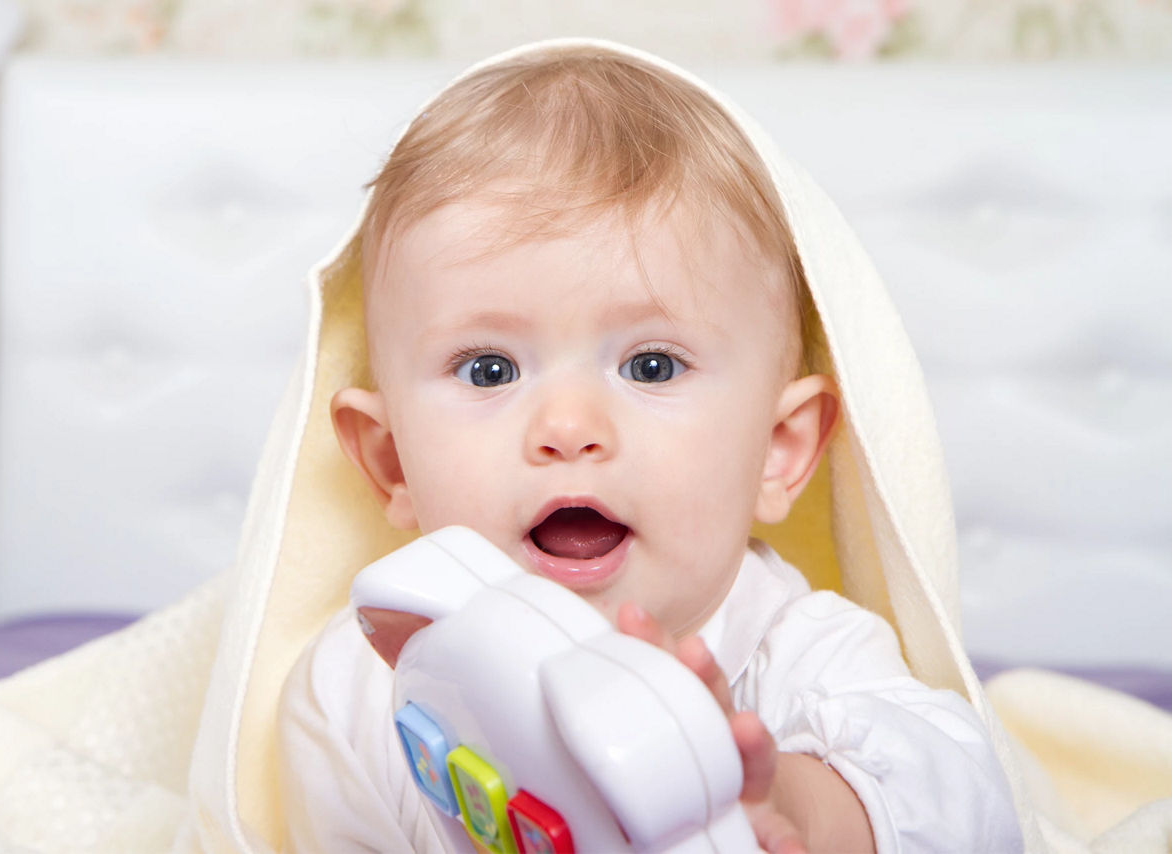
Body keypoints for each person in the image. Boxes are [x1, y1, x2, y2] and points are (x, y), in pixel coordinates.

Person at [277, 41, 1022, 853]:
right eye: (490, 370)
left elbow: (969, 802)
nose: (567, 427)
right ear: (391, 462)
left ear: (778, 450)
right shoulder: (361, 685)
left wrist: (792, 808)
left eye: (651, 365)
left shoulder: (801, 651)